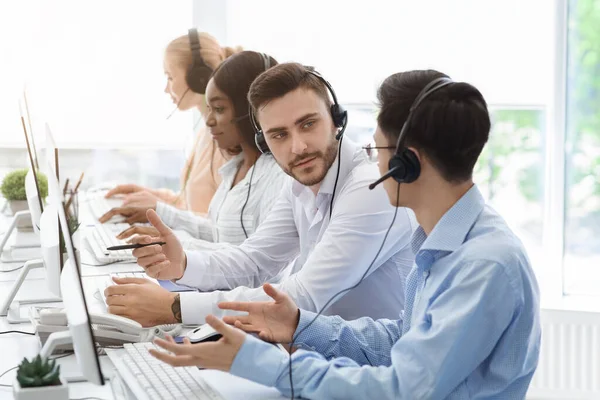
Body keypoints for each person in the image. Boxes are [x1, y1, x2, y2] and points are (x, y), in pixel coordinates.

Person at [148, 70, 542, 399]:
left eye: (379, 145)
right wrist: (298, 324)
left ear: (407, 164)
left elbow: (402, 388)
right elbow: (399, 341)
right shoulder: (441, 244)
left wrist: (255, 361)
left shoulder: (483, 264)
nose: (373, 157)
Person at [122, 63, 416, 327]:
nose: (297, 147)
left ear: (336, 120)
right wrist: (183, 264)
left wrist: (176, 307)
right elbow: (255, 261)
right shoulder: (299, 184)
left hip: (368, 368)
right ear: (264, 142)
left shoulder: (371, 188)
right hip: (313, 353)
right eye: (279, 135)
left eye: (308, 124)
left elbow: (303, 297)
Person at [104, 51, 290, 326]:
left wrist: (178, 250)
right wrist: (163, 220)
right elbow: (217, 231)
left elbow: (257, 266)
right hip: (212, 294)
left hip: (233, 311)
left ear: (249, 110)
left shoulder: (277, 178)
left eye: (219, 109)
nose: (209, 120)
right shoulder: (234, 168)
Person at [101, 29, 237, 222]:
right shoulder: (205, 133)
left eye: (170, 77)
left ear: (199, 78)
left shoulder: (227, 144)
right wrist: (151, 195)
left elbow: (222, 227)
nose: (166, 88)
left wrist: (159, 209)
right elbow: (189, 205)